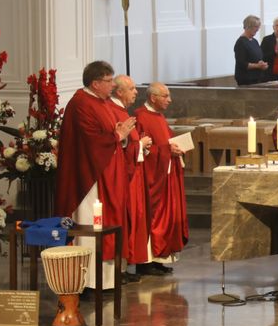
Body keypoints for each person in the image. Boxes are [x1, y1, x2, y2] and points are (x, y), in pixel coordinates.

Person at [54, 61, 131, 291]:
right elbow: (91, 141)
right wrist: (117, 136)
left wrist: (119, 134)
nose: (112, 85)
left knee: (106, 225)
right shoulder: (81, 103)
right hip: (89, 178)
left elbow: (108, 133)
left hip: (107, 174)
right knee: (89, 224)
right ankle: (86, 282)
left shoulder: (101, 102)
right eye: (108, 81)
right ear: (95, 83)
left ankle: (105, 282)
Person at [135, 82, 188, 275]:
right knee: (153, 218)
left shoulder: (158, 116)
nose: (169, 100)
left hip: (165, 176)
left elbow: (165, 142)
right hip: (153, 179)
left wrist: (175, 148)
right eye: (165, 96)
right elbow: (144, 150)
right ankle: (145, 263)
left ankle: (159, 259)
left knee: (166, 218)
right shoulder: (141, 117)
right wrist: (166, 150)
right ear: (153, 97)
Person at [111, 76, 151, 281]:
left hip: (133, 176)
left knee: (132, 220)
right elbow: (118, 147)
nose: (136, 92)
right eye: (132, 88)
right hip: (125, 178)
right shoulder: (114, 112)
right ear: (119, 92)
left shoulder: (122, 111)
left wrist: (141, 147)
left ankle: (125, 267)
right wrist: (140, 145)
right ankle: (120, 269)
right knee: (125, 220)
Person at [234, 15, 268, 85]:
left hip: (258, 78)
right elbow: (242, 64)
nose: (257, 29)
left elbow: (257, 57)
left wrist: (262, 63)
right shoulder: (241, 43)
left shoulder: (254, 41)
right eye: (255, 27)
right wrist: (258, 66)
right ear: (248, 27)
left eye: (258, 27)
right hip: (246, 80)